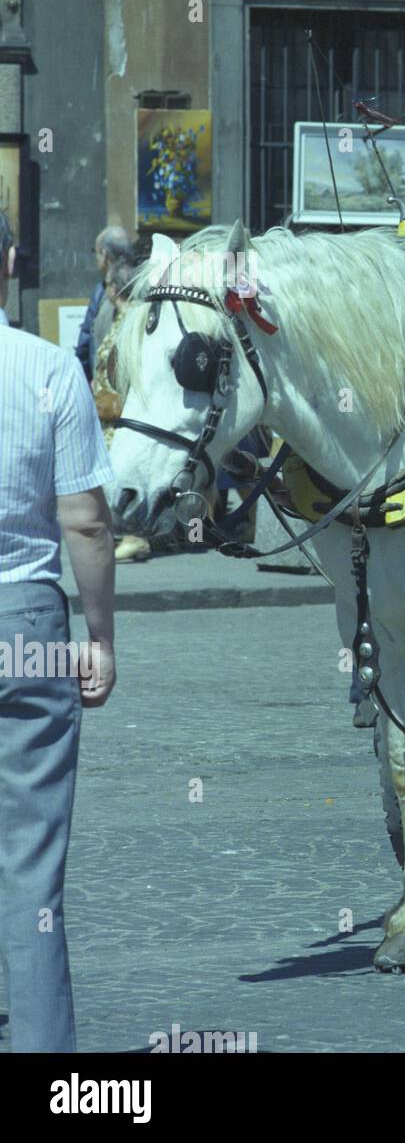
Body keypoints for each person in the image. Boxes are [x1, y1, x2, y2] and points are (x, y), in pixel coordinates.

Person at [0, 210, 117, 1052]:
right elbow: (86, 524)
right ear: (7, 260)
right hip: (29, 621)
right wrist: (100, 635)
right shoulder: (48, 370)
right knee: (31, 858)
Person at [89, 258, 153, 563]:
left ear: (115, 288)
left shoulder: (133, 320)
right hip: (108, 412)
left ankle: (136, 538)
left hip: (122, 413)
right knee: (110, 475)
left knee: (125, 472)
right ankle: (120, 532)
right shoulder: (121, 317)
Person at [74, 226, 133, 383]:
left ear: (104, 254)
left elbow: (85, 343)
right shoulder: (140, 285)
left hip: (103, 391)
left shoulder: (100, 292)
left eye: (96, 251)